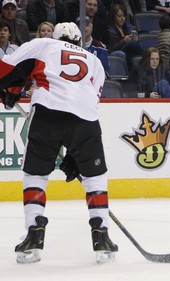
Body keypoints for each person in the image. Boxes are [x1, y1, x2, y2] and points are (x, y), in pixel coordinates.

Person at [0, 22, 118, 264]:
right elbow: (91, 101)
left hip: (47, 113)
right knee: (95, 178)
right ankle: (101, 234)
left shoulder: (44, 44)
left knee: (35, 174)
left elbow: (7, 69)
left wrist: (10, 90)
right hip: (86, 120)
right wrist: (76, 152)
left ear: (55, 35)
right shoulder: (94, 60)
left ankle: (34, 233)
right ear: (78, 41)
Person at [107, 4, 143, 69]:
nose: (122, 18)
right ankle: (145, 59)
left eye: (124, 16)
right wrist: (124, 41)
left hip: (129, 54)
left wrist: (137, 39)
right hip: (118, 53)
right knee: (132, 44)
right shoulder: (110, 31)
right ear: (114, 17)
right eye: (119, 16)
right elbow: (112, 49)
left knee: (134, 44)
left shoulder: (130, 28)